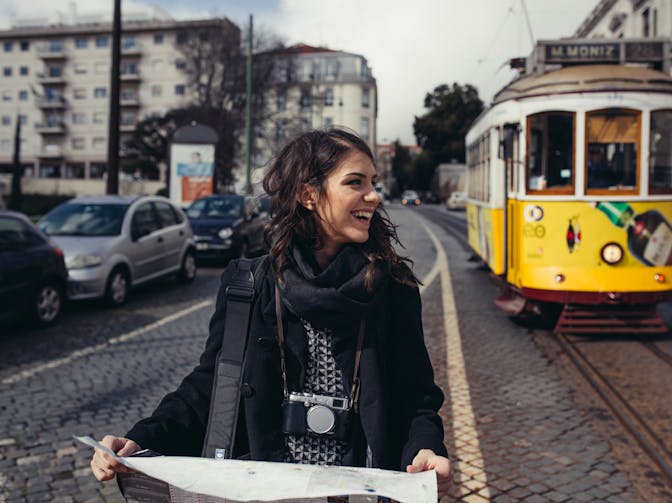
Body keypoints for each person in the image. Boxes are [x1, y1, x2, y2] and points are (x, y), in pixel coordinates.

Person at [90, 129, 452, 499]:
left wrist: (426, 447)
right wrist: (142, 438)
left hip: (361, 491)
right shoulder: (248, 284)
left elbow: (416, 397)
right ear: (309, 195)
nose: (374, 195)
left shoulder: (394, 289)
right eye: (355, 182)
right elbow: (211, 384)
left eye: (373, 182)